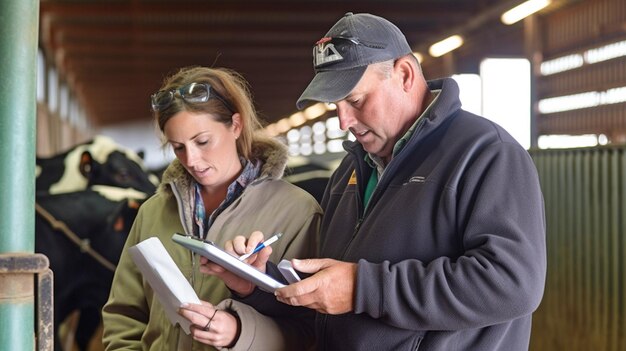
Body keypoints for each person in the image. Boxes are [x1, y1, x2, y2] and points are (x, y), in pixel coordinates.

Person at [216, 12, 547, 351]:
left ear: (404, 74)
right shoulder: (350, 170)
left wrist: (363, 288)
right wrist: (257, 284)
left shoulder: (485, 153)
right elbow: (331, 297)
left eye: (356, 100)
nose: (344, 120)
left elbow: (512, 283)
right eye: (336, 106)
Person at [101, 66, 321, 351]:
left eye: (203, 141)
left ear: (236, 125)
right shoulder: (153, 211)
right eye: (178, 147)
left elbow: (309, 331)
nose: (191, 160)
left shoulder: (298, 212)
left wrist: (241, 332)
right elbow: (124, 315)